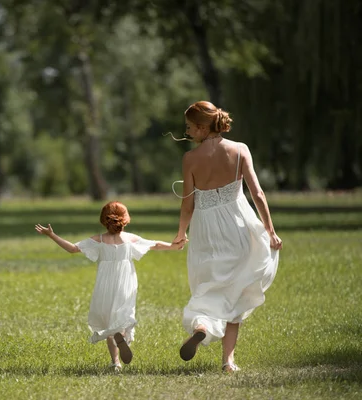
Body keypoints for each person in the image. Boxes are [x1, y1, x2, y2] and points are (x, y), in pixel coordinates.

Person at [171, 101, 283, 373]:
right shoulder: (239, 149)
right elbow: (258, 194)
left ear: (201, 127)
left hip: (206, 229)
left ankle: (201, 326)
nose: (186, 132)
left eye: (189, 127)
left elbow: (188, 204)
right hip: (238, 224)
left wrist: (181, 233)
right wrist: (270, 229)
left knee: (207, 284)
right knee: (238, 289)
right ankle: (228, 361)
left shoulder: (190, 159)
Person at [35, 201, 184, 372]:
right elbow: (155, 244)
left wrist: (52, 235)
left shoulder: (98, 240)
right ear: (125, 219)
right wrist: (174, 246)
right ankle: (121, 336)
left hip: (105, 284)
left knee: (107, 320)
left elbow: (73, 249)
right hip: (126, 282)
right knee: (122, 314)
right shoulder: (129, 239)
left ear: (103, 220)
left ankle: (116, 362)